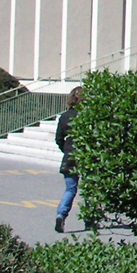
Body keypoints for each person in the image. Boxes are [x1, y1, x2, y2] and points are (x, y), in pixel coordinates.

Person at [53, 88, 89, 232]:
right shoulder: (88, 115)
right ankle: (90, 219)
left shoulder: (65, 116)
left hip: (69, 156)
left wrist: (66, 150)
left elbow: (58, 139)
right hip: (86, 155)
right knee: (89, 190)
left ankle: (61, 215)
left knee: (70, 189)